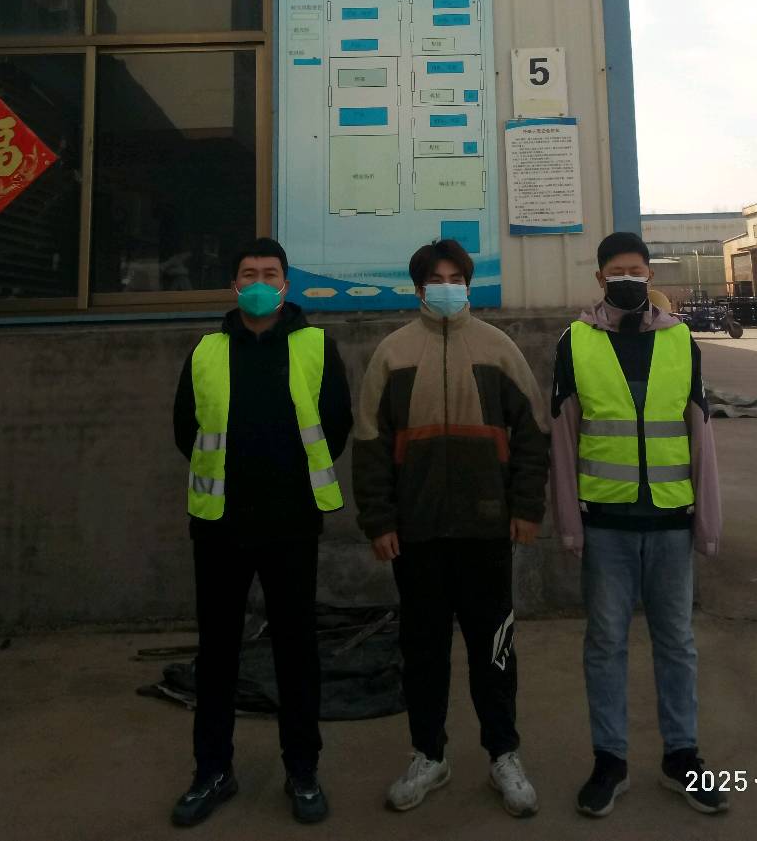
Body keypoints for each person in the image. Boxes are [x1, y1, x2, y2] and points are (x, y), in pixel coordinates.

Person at [353, 239, 549, 818]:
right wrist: (379, 520)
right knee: (423, 653)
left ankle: (503, 755)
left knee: (495, 652)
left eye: (455, 278)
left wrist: (526, 509)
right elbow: (369, 444)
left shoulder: (499, 349)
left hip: (487, 530)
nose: (446, 287)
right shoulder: (392, 354)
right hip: (416, 535)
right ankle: (428, 755)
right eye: (435, 280)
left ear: (468, 284)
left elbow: (533, 434)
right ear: (418, 289)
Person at [170, 237, 352, 828]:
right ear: (234, 285)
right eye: (248, 273)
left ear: (285, 284)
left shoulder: (317, 346)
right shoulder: (206, 351)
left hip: (291, 524)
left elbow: (337, 424)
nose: (258, 282)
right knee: (217, 655)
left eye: (269, 273)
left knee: (296, 653)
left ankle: (302, 771)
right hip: (219, 526)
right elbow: (185, 429)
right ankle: (211, 771)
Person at [551, 231, 726, 817]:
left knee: (676, 642)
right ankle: (610, 761)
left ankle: (682, 757)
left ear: (651, 276)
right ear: (600, 279)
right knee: (605, 644)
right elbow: (562, 438)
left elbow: (700, 434)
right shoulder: (573, 342)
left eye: (637, 270)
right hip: (606, 524)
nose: (628, 279)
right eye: (616, 271)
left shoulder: (682, 342)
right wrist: (569, 523)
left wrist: (707, 521)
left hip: (671, 521)